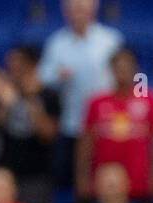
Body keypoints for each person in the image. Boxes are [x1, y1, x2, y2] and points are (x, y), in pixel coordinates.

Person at [37, 0, 122, 183]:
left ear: (94, 8)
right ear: (65, 10)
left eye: (83, 8)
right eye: (74, 8)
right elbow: (41, 79)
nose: (79, 13)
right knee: (69, 181)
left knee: (103, 179)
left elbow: (125, 76)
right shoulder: (57, 43)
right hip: (71, 123)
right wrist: (58, 76)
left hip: (103, 126)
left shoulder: (111, 40)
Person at [77, 46, 153, 202]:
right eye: (117, 67)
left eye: (126, 67)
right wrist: (83, 179)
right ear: (111, 70)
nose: (122, 71)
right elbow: (86, 143)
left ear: (135, 70)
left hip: (140, 184)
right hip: (104, 186)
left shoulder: (152, 102)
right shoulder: (96, 102)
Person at [0, 46, 62, 203]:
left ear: (32, 65)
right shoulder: (3, 93)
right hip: (6, 173)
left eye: (18, 64)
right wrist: (4, 107)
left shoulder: (49, 95)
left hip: (36, 175)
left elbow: (48, 134)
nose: (13, 69)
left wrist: (31, 100)